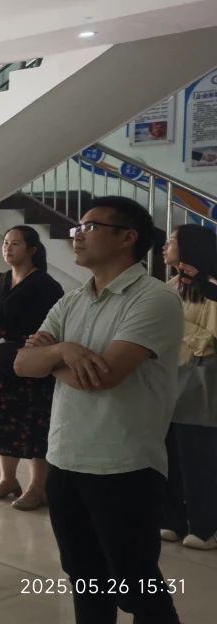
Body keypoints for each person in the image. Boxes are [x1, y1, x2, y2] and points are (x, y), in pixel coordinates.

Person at [15, 196, 182, 624]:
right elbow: (21, 364)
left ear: (127, 238)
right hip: (64, 458)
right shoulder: (72, 300)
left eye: (90, 227)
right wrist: (65, 351)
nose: (77, 235)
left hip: (123, 465)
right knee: (86, 580)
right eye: (77, 228)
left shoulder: (154, 299)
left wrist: (50, 359)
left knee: (138, 587)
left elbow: (103, 376)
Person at [0, 226, 64, 511]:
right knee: (2, 418)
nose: (8, 248)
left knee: (33, 421)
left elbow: (51, 328)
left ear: (32, 249)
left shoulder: (46, 286)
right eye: (5, 243)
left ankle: (38, 486)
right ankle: (8, 479)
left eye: (15, 244)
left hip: (30, 361)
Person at [161, 224, 217, 550]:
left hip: (200, 385)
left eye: (172, 240)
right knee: (169, 456)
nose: (166, 245)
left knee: (198, 457)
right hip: (168, 381)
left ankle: (204, 526)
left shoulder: (211, 287)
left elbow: (210, 340)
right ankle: (173, 519)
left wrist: (176, 328)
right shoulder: (168, 288)